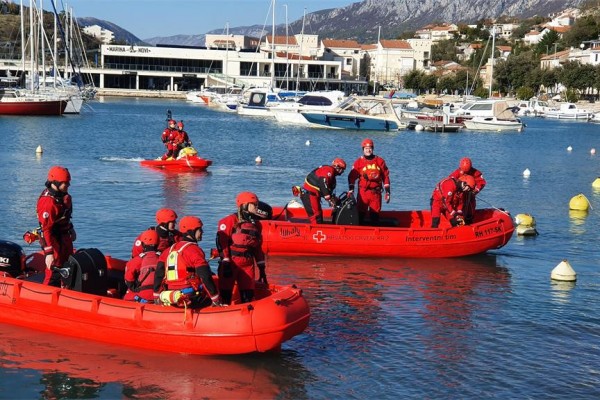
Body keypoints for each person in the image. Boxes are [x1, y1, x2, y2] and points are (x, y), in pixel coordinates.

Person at [153, 216, 221, 307]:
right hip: (191, 297)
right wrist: (215, 298)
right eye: (199, 229)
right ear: (191, 231)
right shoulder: (194, 250)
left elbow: (159, 274)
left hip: (172, 297)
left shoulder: (168, 250)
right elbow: (205, 275)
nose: (202, 232)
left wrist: (156, 296)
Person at [216, 191, 268, 305]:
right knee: (225, 295)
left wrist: (262, 268)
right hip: (231, 264)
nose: (256, 207)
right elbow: (222, 242)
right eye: (254, 204)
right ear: (244, 205)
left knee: (248, 296)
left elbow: (257, 248)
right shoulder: (230, 221)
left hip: (248, 264)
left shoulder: (256, 225)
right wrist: (225, 261)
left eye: (256, 204)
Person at [36, 166, 76, 287]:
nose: (68, 186)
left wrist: (70, 228)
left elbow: (64, 215)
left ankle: (66, 289)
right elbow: (46, 229)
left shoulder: (62, 196)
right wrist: (49, 253)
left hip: (64, 236)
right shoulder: (48, 202)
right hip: (53, 239)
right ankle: (47, 295)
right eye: (65, 183)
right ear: (56, 182)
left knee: (68, 265)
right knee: (54, 270)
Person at [347, 138, 391, 224]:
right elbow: (352, 177)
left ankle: (375, 234)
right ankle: (359, 233)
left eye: (370, 148)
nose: (368, 150)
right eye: (366, 148)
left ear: (373, 149)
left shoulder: (380, 161)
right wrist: (351, 189)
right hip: (363, 192)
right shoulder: (359, 162)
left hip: (376, 193)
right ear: (363, 149)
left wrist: (388, 192)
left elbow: (385, 176)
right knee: (360, 214)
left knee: (375, 215)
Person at [300, 158, 347, 224]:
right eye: (342, 170)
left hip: (313, 195)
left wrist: (335, 200)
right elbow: (322, 181)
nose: (342, 172)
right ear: (338, 168)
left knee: (319, 214)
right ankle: (316, 231)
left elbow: (328, 190)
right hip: (309, 194)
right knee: (316, 216)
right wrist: (327, 197)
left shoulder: (332, 178)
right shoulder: (329, 170)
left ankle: (318, 228)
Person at [123, 229, 160, 303]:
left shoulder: (137, 260)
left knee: (127, 296)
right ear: (158, 243)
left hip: (143, 297)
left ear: (142, 244)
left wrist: (135, 288)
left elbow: (128, 280)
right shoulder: (163, 258)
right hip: (159, 296)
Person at [448, 157, 486, 224]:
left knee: (470, 211)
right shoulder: (456, 173)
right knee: (459, 210)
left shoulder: (476, 173)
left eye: (467, 171)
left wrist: (475, 191)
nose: (466, 172)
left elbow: (481, 182)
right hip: (460, 196)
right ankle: (459, 223)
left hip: (470, 195)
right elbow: (451, 181)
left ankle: (470, 223)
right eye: (464, 171)